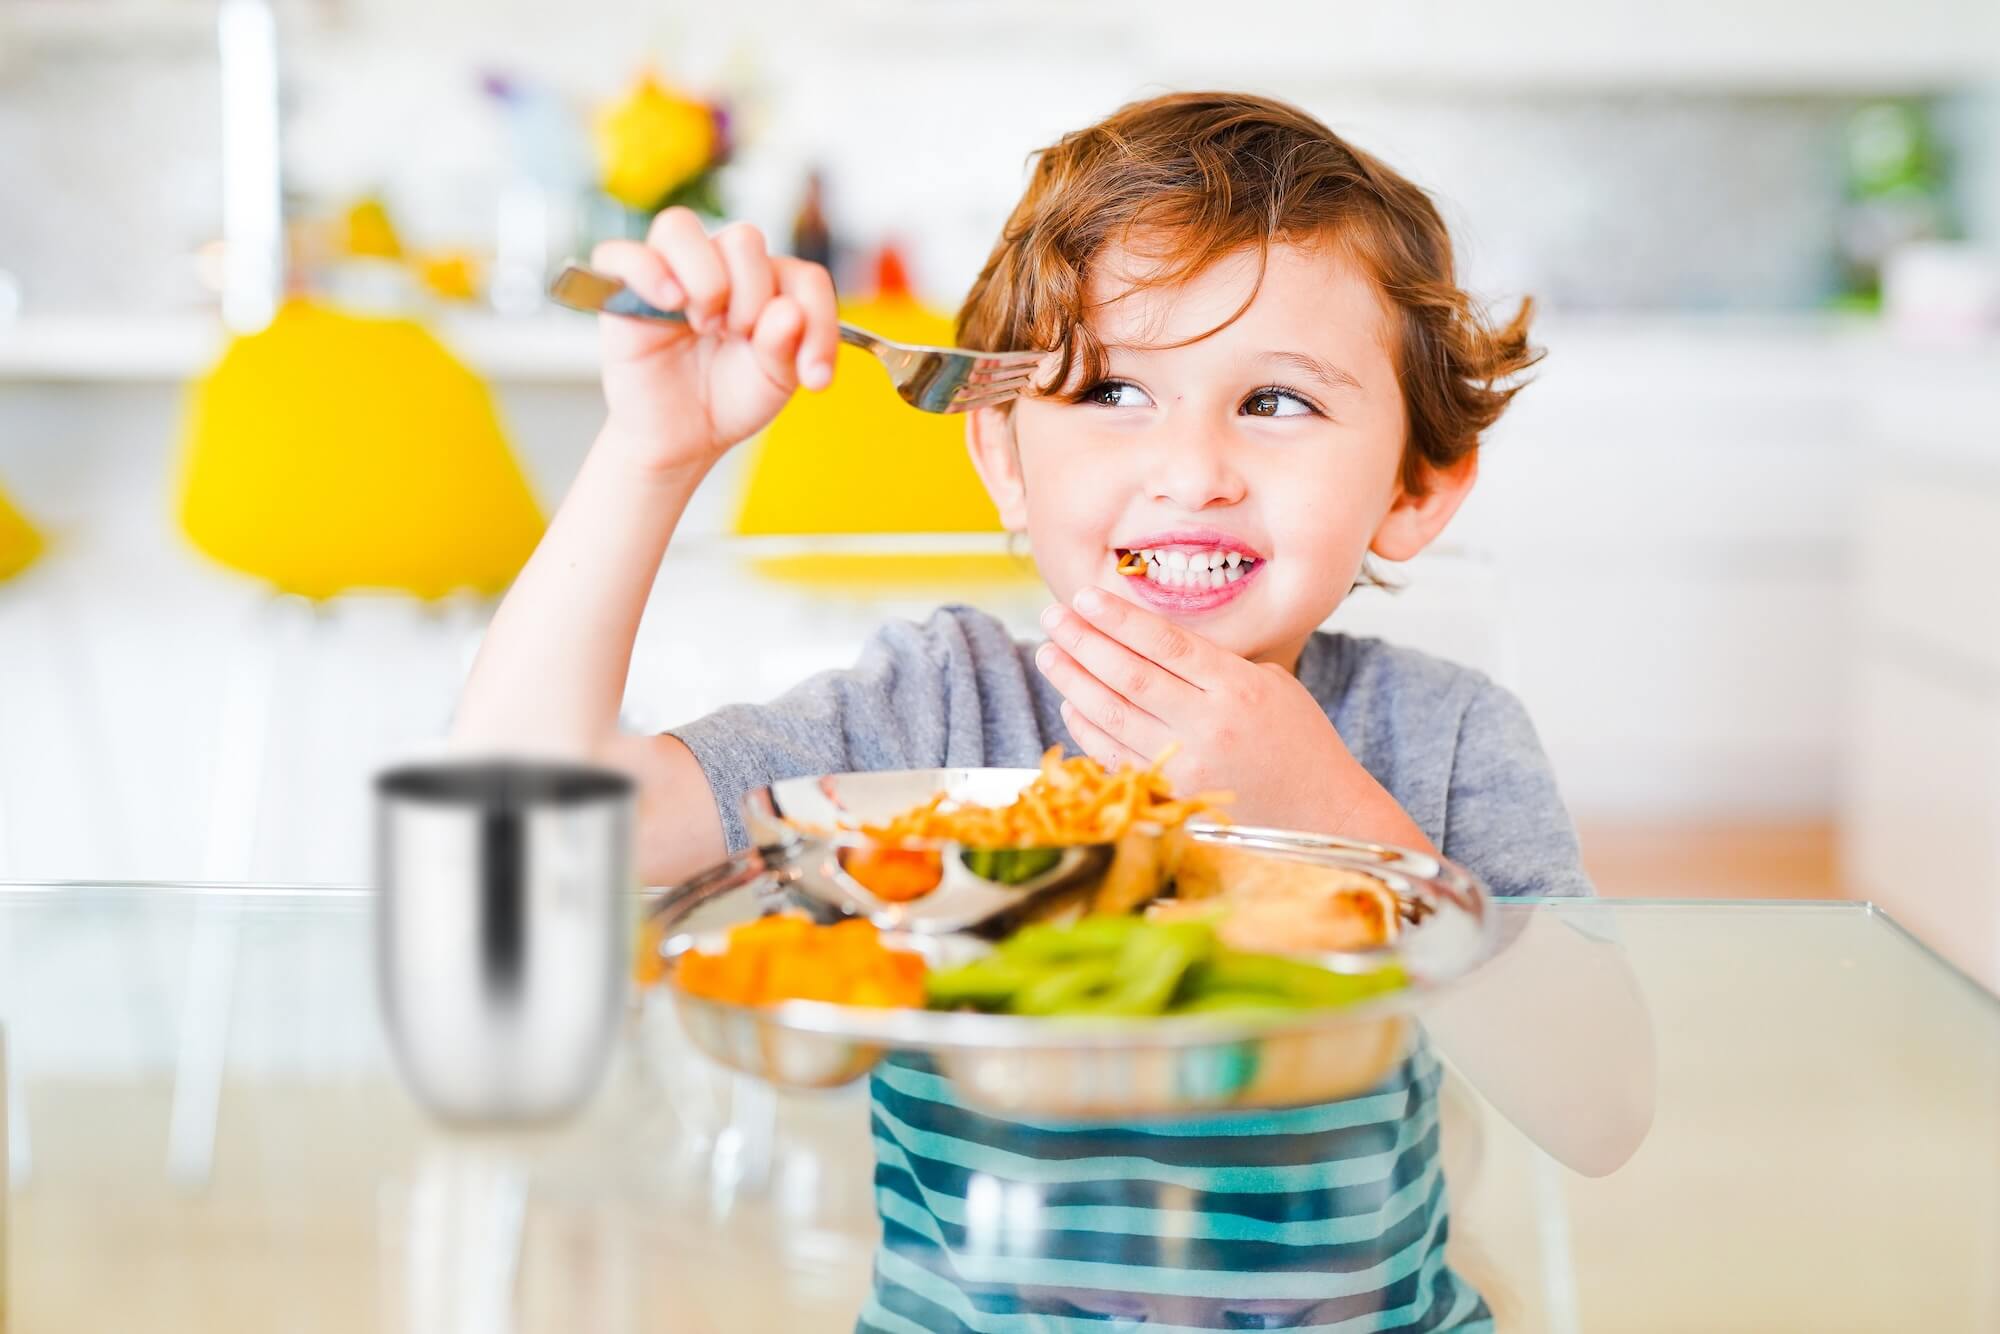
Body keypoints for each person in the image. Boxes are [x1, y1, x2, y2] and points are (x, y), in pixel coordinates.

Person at [456, 90, 1652, 1332]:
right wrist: (652, 453)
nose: (1191, 470)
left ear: (1414, 484)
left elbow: (1601, 1107)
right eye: (1112, 393)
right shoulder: (937, 707)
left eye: (1276, 402)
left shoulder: (1442, 734)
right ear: (1001, 461)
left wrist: (1325, 812)